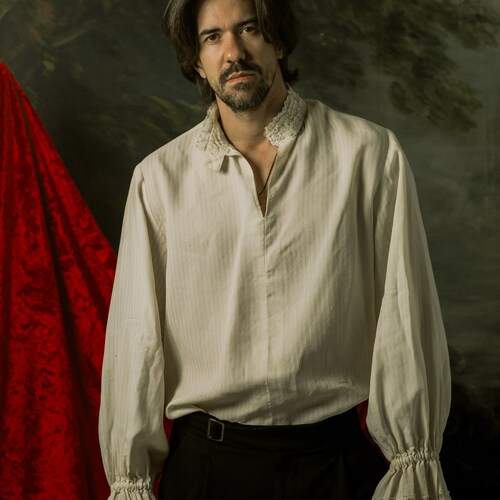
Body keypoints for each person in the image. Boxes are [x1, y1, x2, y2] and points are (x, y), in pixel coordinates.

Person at [98, 0, 452, 498]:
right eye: (213, 37)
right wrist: (131, 477)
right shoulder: (158, 180)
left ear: (279, 40)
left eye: (250, 29)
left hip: (333, 465)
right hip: (206, 470)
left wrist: (412, 453)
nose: (234, 52)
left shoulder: (368, 156)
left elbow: (404, 317)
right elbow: (136, 340)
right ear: (196, 60)